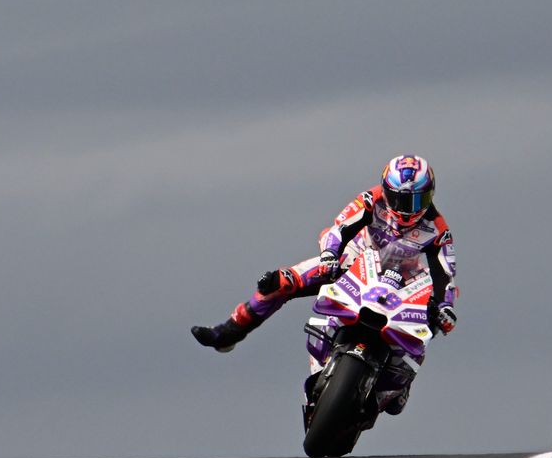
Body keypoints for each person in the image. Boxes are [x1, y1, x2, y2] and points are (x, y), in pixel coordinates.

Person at [191, 155, 458, 362]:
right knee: (279, 282)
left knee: (429, 324)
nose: (406, 209)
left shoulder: (437, 229)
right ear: (387, 190)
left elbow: (445, 273)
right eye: (399, 199)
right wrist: (330, 254)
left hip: (403, 283)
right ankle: (229, 332)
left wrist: (445, 306)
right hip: (356, 262)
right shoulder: (371, 199)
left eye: (416, 200)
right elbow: (340, 227)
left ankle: (399, 382)